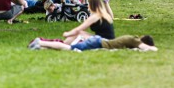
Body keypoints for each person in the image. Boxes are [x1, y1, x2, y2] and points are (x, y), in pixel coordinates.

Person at [28, 34, 157, 52]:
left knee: (68, 48)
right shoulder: (135, 41)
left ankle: (40, 47)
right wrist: (153, 48)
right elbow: (150, 49)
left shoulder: (131, 37)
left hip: (98, 40)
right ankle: (41, 42)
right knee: (69, 47)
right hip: (97, 43)